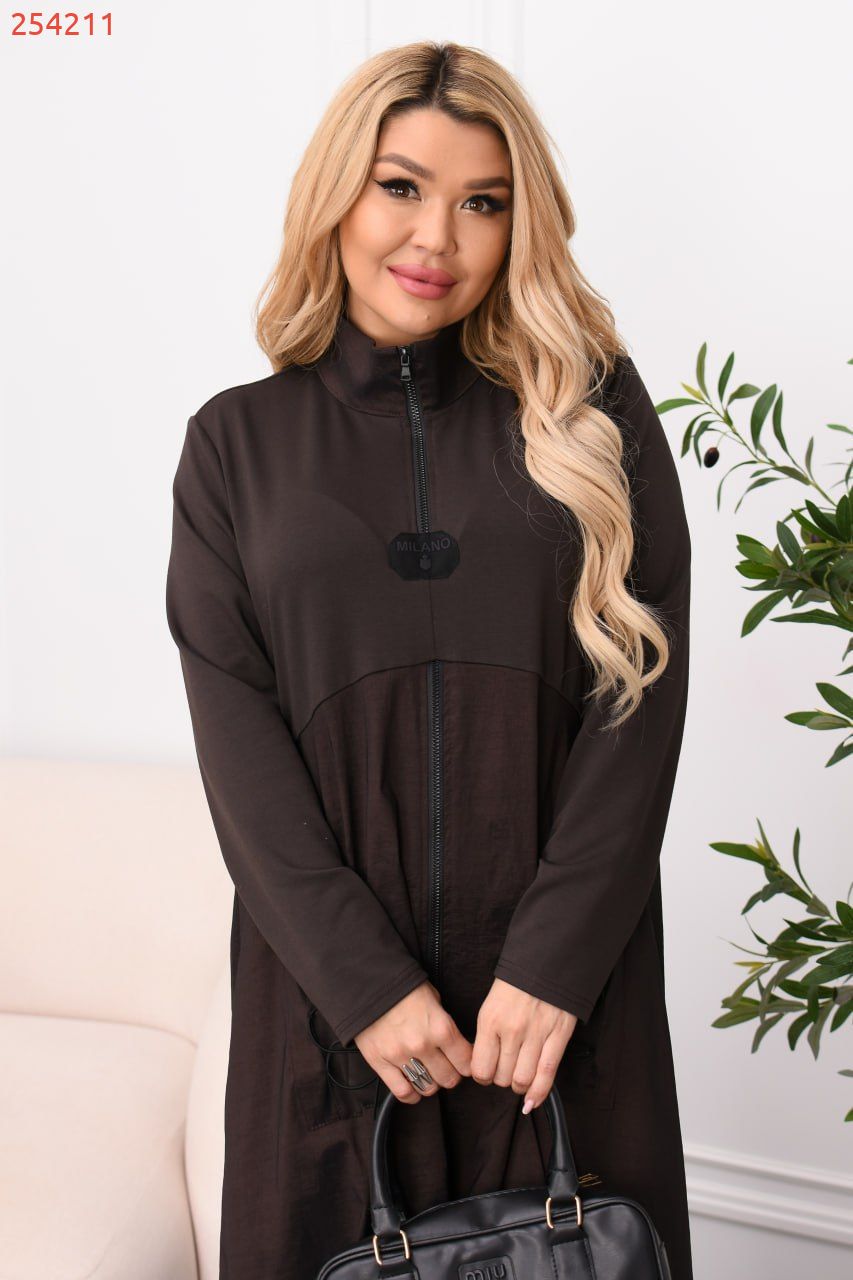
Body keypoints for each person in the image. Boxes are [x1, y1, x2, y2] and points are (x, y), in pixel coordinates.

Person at [166, 39, 693, 1280]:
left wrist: (554, 965)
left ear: (519, 224)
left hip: (556, 1017)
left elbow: (639, 703)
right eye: (400, 186)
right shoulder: (236, 447)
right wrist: (362, 986)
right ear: (337, 193)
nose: (437, 237)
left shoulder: (595, 416)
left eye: (482, 202)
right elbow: (239, 751)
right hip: (333, 1017)